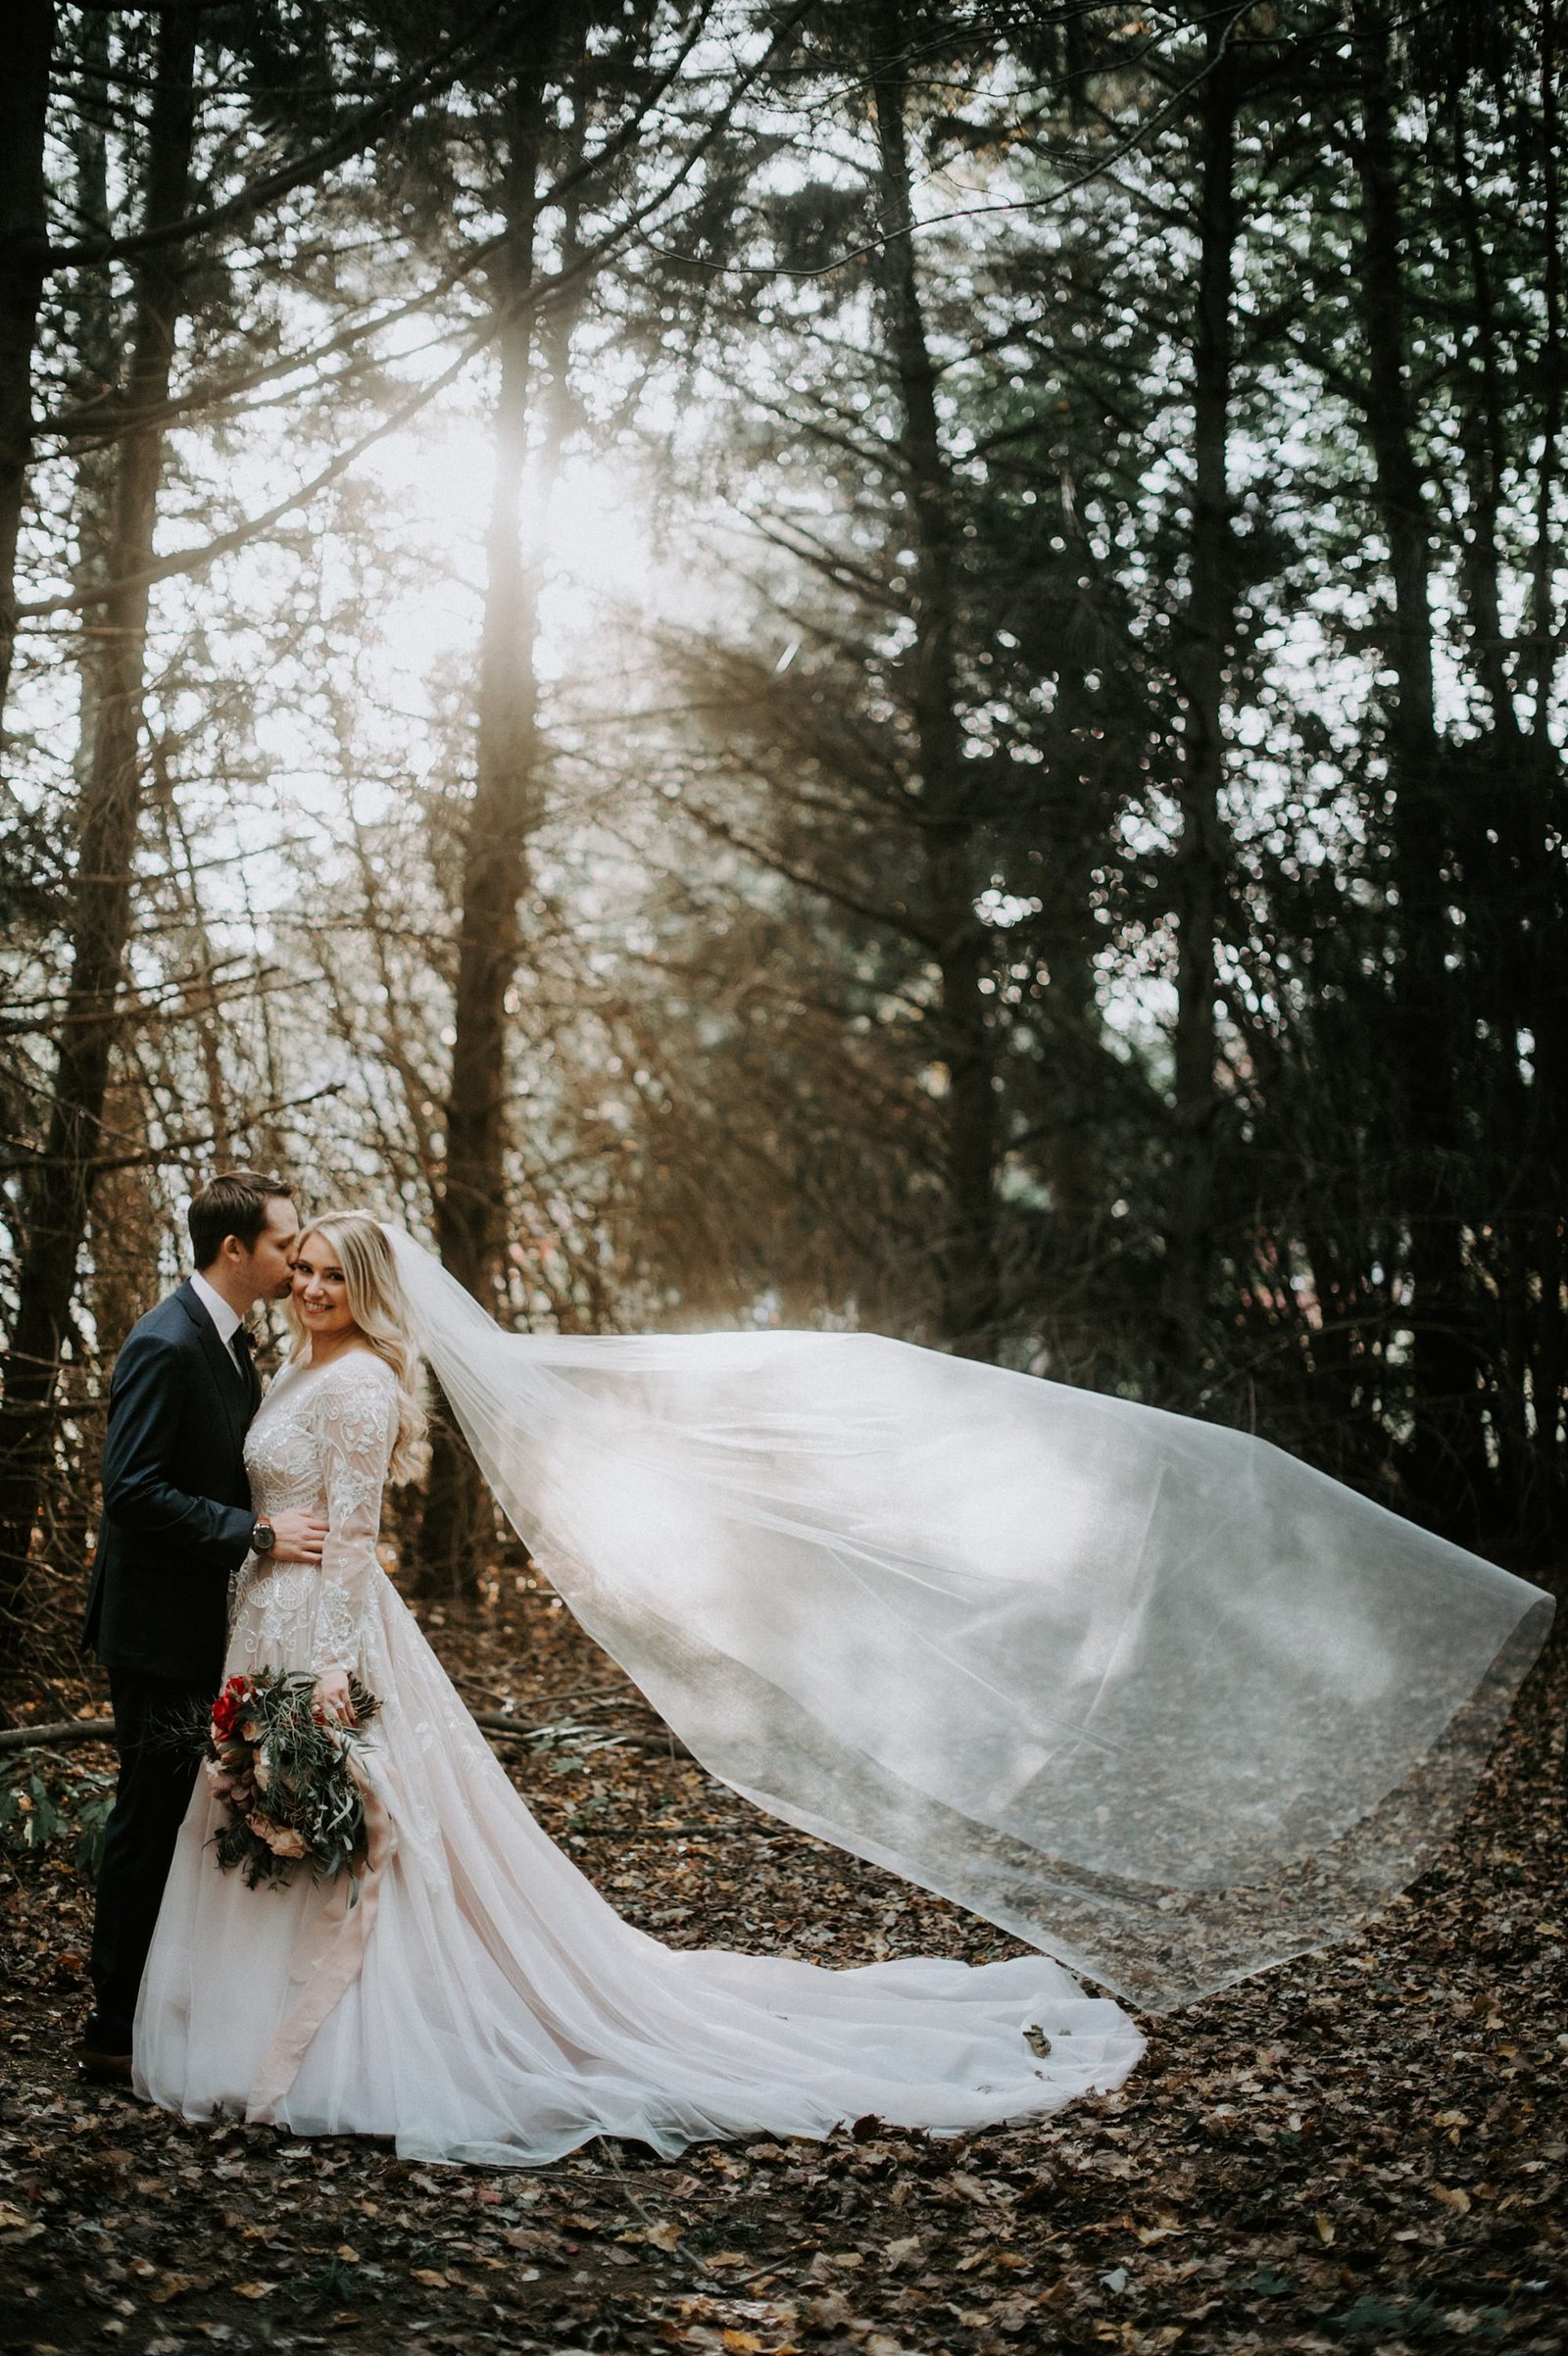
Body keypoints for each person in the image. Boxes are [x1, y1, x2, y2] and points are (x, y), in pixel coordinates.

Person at [135, 1212, 1146, 2160]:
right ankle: (254, 2018)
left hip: (324, 1632)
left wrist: (328, 1680)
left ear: (366, 1290)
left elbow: (353, 1542)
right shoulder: (294, 1367)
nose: (310, 1287)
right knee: (258, 1818)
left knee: (347, 1827)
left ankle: (341, 2038)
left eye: (331, 1276)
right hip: (265, 1618)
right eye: (302, 1269)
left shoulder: (359, 1384)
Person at [79, 1172, 328, 2086]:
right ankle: (111, 2024)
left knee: (178, 1810)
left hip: (201, 1622)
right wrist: (253, 1536)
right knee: (147, 1815)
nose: (295, 1259)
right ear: (235, 1251)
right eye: (282, 1245)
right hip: (152, 1629)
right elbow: (131, 1489)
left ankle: (153, 1997)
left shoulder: (228, 1344)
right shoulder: (167, 1343)